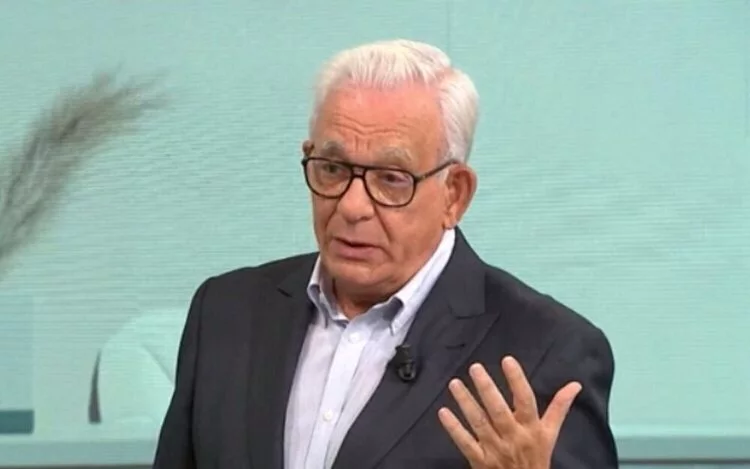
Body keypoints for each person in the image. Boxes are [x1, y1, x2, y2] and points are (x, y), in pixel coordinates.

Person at [153, 39, 618, 469]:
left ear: (454, 194)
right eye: (332, 169)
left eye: (391, 179)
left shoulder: (545, 352)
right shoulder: (226, 313)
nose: (352, 206)